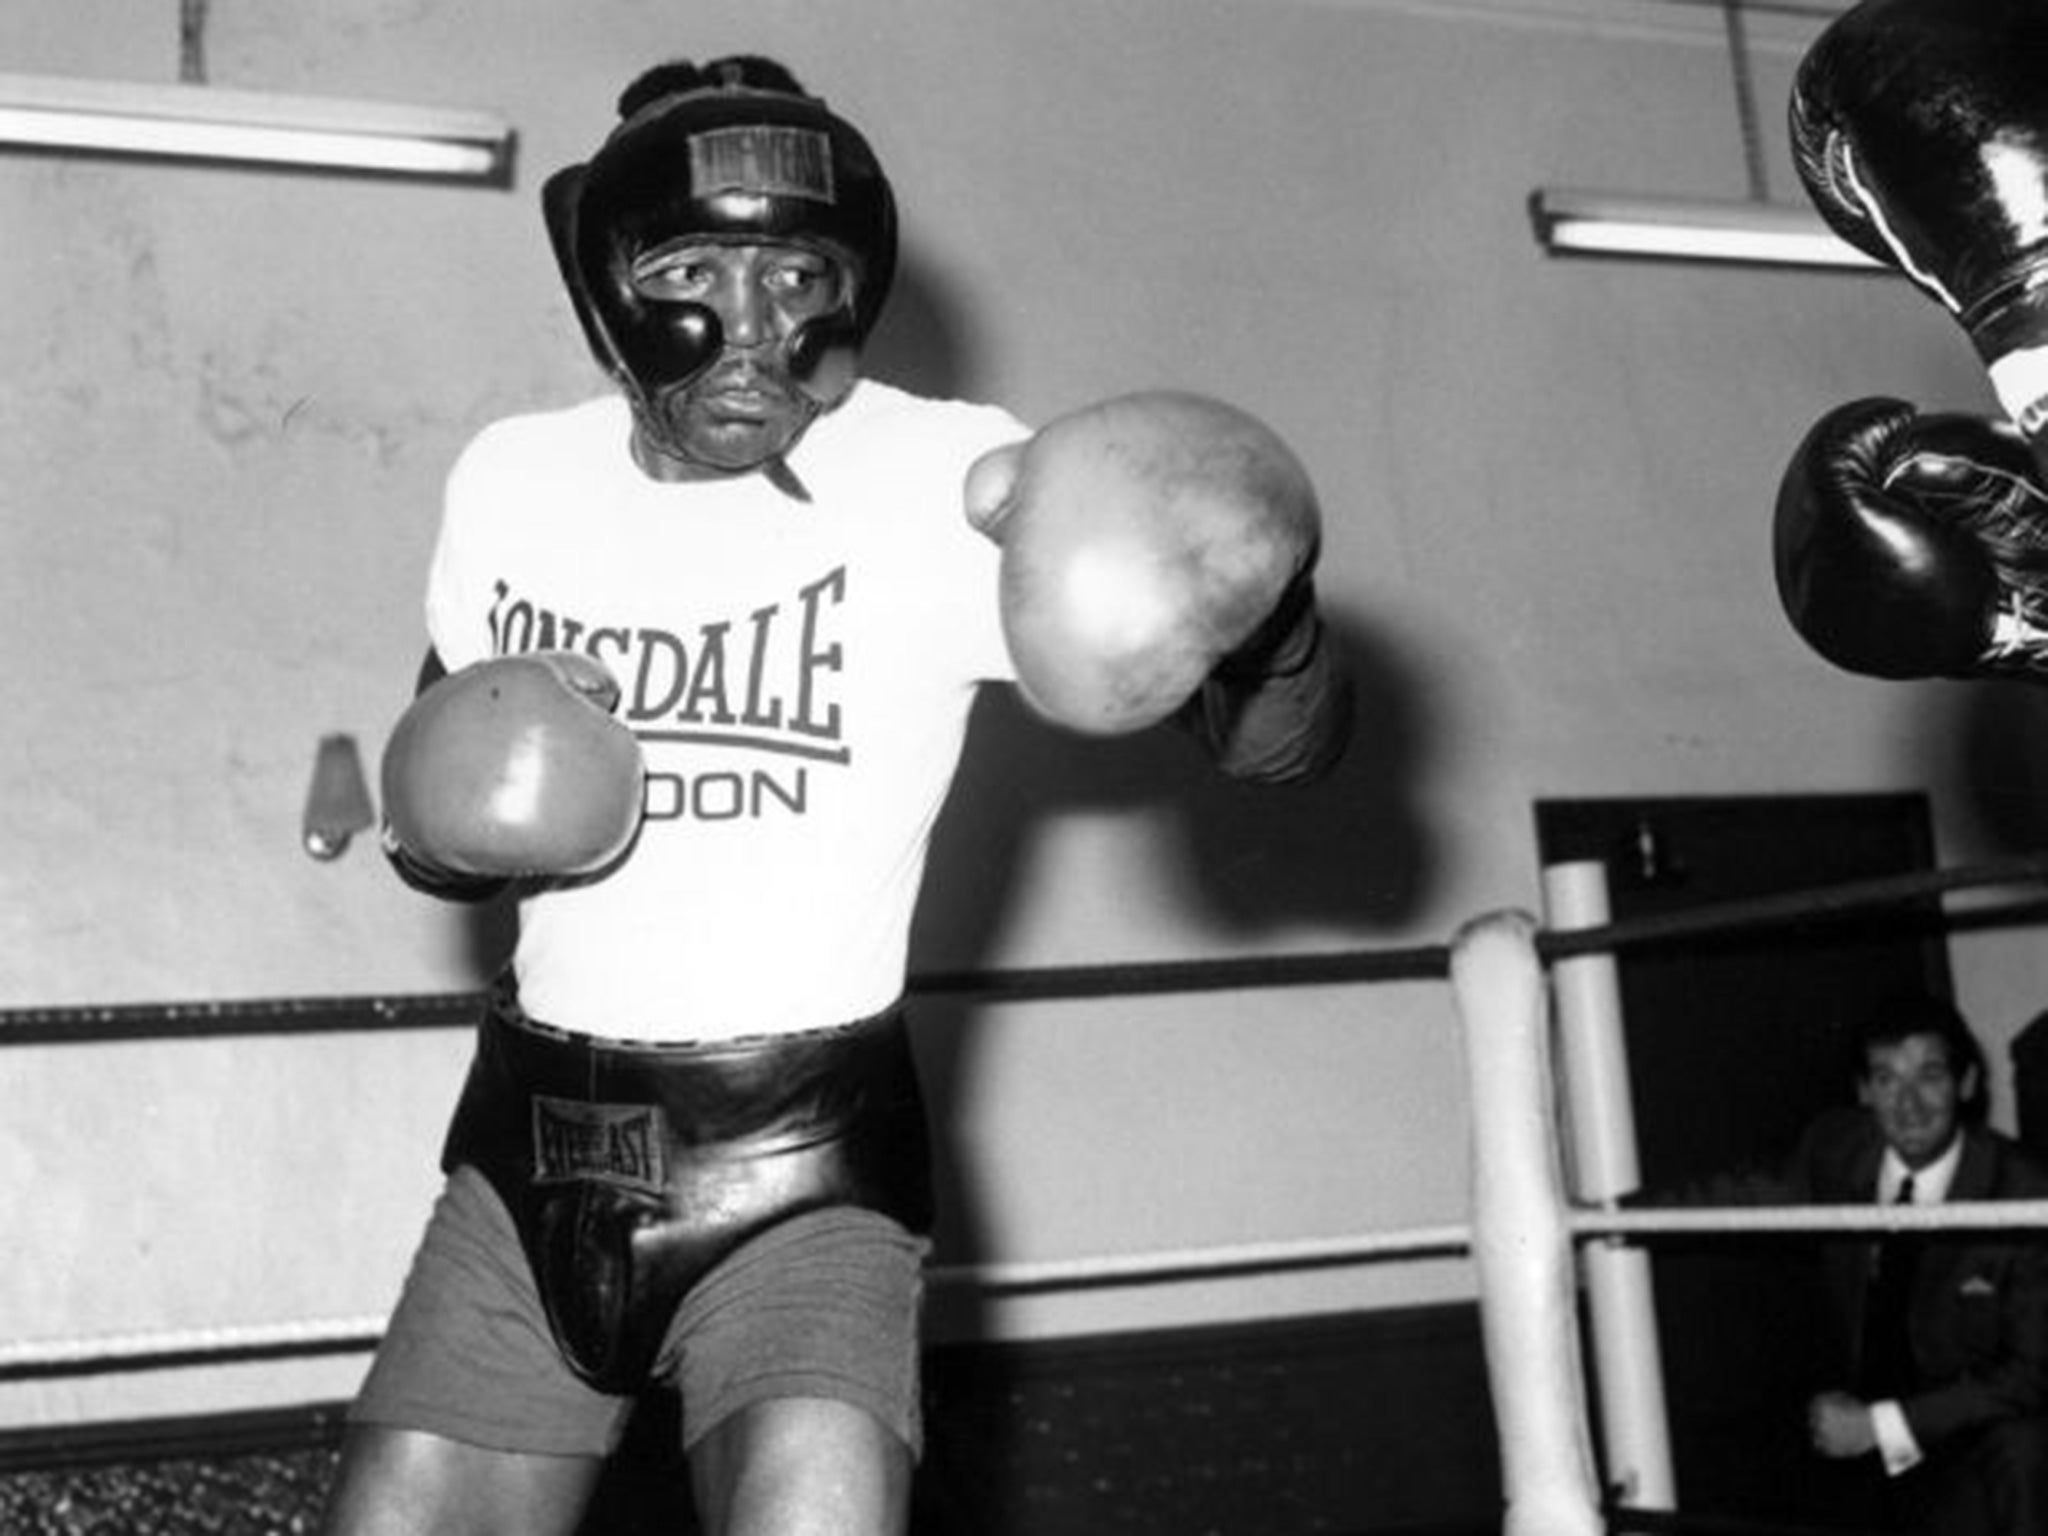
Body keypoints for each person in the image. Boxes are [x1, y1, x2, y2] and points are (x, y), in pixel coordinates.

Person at [318, 53, 1352, 1536]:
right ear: (607, 283)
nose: (754, 332)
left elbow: (1280, 750)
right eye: (694, 269)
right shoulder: (511, 480)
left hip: (800, 1170)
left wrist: (1274, 612)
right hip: (530, 1155)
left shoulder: (944, 472)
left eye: (798, 274)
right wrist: (450, 807)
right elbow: (440, 830)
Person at [1653, 991, 2048, 1534]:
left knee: (2024, 1450)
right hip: (1853, 1428)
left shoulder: (2023, 1190)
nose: (1909, 1105)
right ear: (1864, 1091)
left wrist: (1879, 1426)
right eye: (1887, 1080)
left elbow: (2030, 1375)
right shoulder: (1837, 1149)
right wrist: (1607, 1214)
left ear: (1967, 1083)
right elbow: (1738, 1192)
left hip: (1967, 1437)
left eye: (1929, 1076)